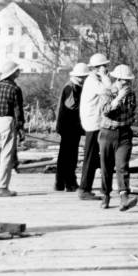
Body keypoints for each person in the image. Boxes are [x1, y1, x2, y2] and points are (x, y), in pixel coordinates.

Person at [99, 64, 138, 211]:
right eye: (124, 81)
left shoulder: (132, 94)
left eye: (129, 81)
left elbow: (131, 112)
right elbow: (105, 111)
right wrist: (118, 98)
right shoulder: (107, 91)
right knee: (106, 167)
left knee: (122, 166)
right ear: (118, 79)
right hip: (107, 133)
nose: (127, 84)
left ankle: (124, 197)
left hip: (124, 133)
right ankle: (105, 196)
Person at [78, 52, 112, 200]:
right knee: (90, 157)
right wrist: (105, 76)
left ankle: (85, 188)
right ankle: (84, 189)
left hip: (93, 122)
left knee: (91, 157)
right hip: (93, 124)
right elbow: (110, 90)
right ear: (98, 68)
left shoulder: (92, 80)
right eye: (104, 67)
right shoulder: (93, 82)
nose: (106, 69)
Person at [0, 60, 25, 197]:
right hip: (7, 121)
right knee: (6, 155)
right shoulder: (15, 89)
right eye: (17, 70)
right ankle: (2, 187)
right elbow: (18, 110)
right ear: (12, 73)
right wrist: (20, 127)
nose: (19, 72)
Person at [55, 62, 90, 191]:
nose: (84, 79)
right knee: (70, 156)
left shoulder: (70, 86)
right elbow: (72, 105)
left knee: (64, 155)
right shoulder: (71, 88)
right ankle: (70, 182)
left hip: (68, 127)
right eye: (83, 76)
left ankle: (60, 182)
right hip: (69, 127)